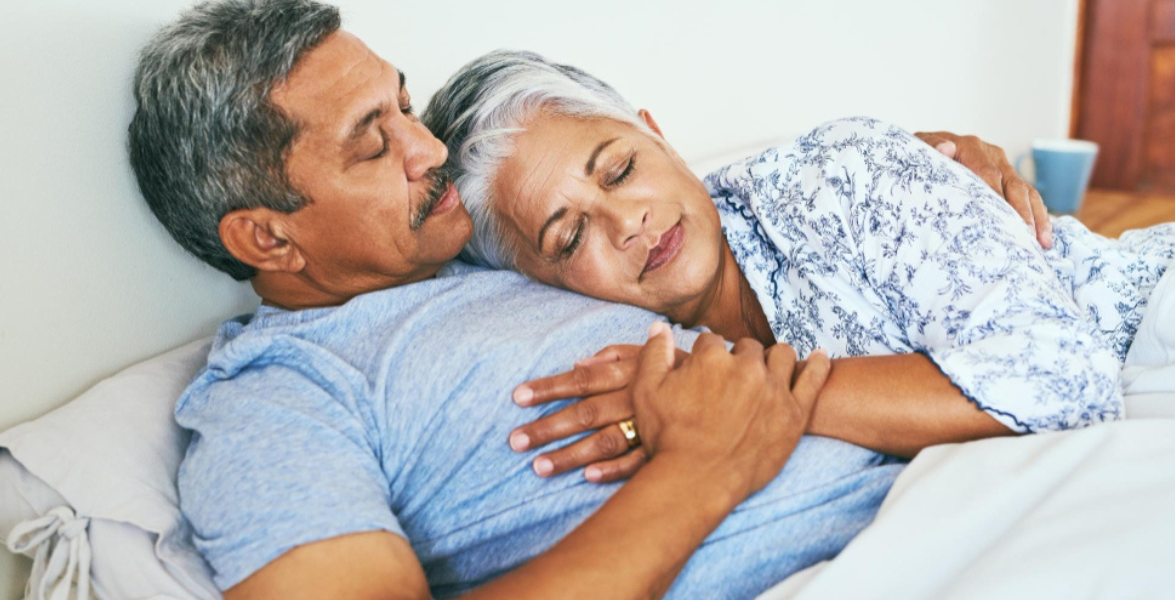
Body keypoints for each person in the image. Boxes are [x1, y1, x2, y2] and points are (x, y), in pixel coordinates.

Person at [127, 2, 1057, 598]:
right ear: (267, 239)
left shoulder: (472, 241)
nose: (429, 150)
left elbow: (657, 202)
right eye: (375, 144)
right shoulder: (278, 398)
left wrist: (914, 173)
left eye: (405, 107)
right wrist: (704, 467)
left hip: (955, 494)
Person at [421, 50, 1175, 480]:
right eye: (567, 238)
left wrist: (749, 395)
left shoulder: (838, 174)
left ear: (658, 136)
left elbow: (1062, 381)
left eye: (620, 169)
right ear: (536, 285)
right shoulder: (604, 334)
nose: (629, 223)